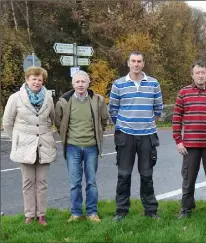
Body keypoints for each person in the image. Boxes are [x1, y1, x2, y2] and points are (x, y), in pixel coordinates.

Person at [108, 51, 163, 221]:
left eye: (139, 61)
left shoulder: (153, 83)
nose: (136, 64)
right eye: (133, 61)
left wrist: (146, 123)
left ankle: (151, 211)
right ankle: (121, 211)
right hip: (125, 135)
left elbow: (158, 109)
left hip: (147, 136)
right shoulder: (118, 84)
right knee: (123, 175)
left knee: (147, 175)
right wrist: (126, 125)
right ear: (128, 63)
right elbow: (113, 110)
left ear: (143, 64)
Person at [2, 67, 56, 226]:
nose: (37, 82)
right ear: (27, 79)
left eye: (40, 79)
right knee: (27, 182)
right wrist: (17, 139)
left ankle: (41, 215)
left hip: (44, 146)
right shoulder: (16, 98)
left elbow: (51, 120)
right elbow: (7, 123)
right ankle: (29, 215)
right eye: (34, 78)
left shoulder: (48, 98)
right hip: (25, 147)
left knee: (42, 183)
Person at [54, 71, 110, 223]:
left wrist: (97, 134)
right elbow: (59, 123)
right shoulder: (64, 101)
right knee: (75, 183)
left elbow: (104, 121)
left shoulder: (97, 100)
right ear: (73, 84)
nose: (80, 84)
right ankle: (76, 213)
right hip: (72, 147)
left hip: (91, 147)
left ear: (88, 83)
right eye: (77, 82)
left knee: (91, 182)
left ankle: (92, 212)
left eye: (83, 82)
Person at [172, 60, 206, 218]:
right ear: (192, 75)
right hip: (190, 145)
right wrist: (178, 140)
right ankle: (186, 209)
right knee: (188, 178)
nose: (200, 76)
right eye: (197, 73)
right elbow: (176, 117)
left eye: (203, 72)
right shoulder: (183, 93)